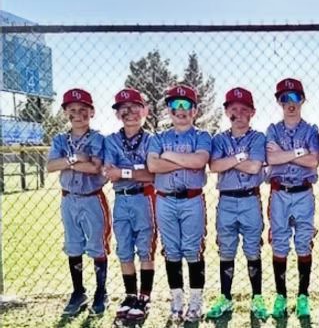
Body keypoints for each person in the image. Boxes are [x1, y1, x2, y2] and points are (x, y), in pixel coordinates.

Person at [147, 85, 211, 323]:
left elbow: (200, 161)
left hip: (192, 199)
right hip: (165, 199)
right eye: (175, 105)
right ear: (169, 110)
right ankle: (176, 302)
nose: (181, 110)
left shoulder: (202, 136)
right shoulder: (158, 138)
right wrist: (186, 161)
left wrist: (168, 156)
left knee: (193, 250)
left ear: (195, 110)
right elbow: (153, 166)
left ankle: (195, 302)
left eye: (186, 105)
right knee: (171, 251)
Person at [206, 87, 268, 321]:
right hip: (227, 200)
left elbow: (255, 167)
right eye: (233, 109)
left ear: (252, 112)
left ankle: (257, 297)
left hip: (250, 198)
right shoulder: (219, 138)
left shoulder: (258, 137)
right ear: (226, 112)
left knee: (253, 249)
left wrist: (229, 161)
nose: (238, 114)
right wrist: (243, 157)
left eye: (244, 110)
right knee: (226, 250)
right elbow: (214, 166)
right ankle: (225, 297)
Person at [47, 88, 110, 317]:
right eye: (72, 110)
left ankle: (101, 292)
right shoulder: (59, 139)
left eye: (83, 109)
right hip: (68, 199)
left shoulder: (97, 138)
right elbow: (50, 166)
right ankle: (78, 291)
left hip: (92, 198)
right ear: (65, 113)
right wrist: (75, 158)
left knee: (96, 245)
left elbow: (94, 167)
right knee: (73, 245)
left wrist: (65, 162)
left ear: (91, 112)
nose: (77, 114)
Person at [265, 78, 319, 319]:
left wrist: (286, 154)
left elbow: (313, 160)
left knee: (302, 243)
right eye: (284, 98)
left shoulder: (311, 130)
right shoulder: (272, 129)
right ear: (278, 102)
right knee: (279, 243)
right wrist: (301, 153)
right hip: (279, 192)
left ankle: (303, 296)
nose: (290, 103)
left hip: (303, 192)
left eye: (295, 98)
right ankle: (280, 296)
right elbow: (271, 159)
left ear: (303, 100)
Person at [103, 88, 156, 321]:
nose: (129, 112)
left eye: (135, 107)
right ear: (117, 114)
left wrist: (125, 170)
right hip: (121, 198)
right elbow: (110, 174)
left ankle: (145, 297)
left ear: (144, 110)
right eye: (123, 108)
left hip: (144, 197)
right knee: (124, 248)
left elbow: (152, 173)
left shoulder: (152, 140)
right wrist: (136, 171)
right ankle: (130, 295)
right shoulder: (111, 140)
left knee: (145, 247)